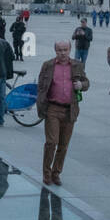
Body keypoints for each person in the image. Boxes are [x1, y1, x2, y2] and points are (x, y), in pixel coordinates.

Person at [36, 40, 89, 186]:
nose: (63, 53)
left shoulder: (77, 65)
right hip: (53, 108)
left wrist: (81, 85)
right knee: (51, 142)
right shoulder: (48, 65)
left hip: (70, 110)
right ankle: (46, 173)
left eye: (65, 49)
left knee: (63, 145)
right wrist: (41, 105)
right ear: (55, 50)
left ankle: (56, 173)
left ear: (70, 49)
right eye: (59, 50)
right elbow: (41, 86)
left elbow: (86, 83)